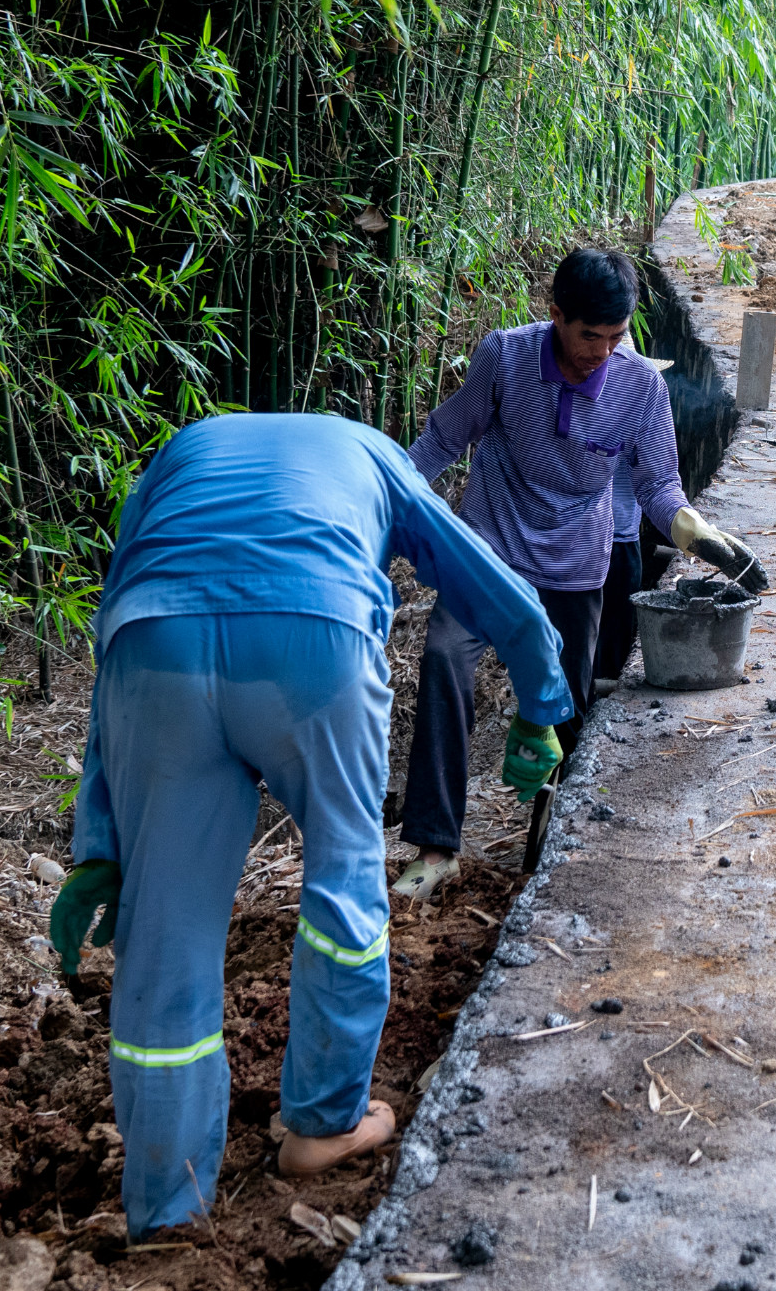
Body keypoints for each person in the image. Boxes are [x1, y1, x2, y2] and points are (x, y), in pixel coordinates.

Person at [47, 413, 573, 1240]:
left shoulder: (179, 455)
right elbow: (483, 577)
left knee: (166, 934)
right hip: (312, 640)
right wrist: (542, 704)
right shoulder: (371, 453)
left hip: (158, 655)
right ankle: (322, 1126)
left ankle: (166, 1203)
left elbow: (127, 607)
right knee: (343, 878)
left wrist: (100, 840)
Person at [396, 247, 766, 898]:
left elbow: (658, 488)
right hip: (487, 554)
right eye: (588, 334)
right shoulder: (504, 357)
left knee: (563, 712)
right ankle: (436, 846)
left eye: (615, 336)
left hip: (575, 567)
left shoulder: (640, 387)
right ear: (556, 314)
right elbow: (441, 441)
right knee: (445, 661)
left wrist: (699, 533)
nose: (600, 350)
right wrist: (379, 498)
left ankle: (542, 847)